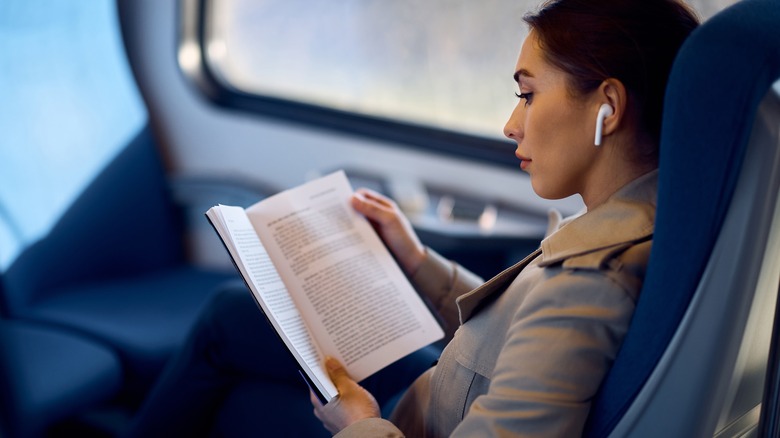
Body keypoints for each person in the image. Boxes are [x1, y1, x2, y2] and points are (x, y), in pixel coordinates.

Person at [125, 0, 699, 436]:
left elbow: (548, 323)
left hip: (410, 421)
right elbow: (516, 336)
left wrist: (358, 424)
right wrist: (416, 259)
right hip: (442, 386)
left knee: (227, 336)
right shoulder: (640, 220)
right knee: (233, 312)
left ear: (609, 108)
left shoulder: (592, 283)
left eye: (527, 95)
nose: (511, 125)